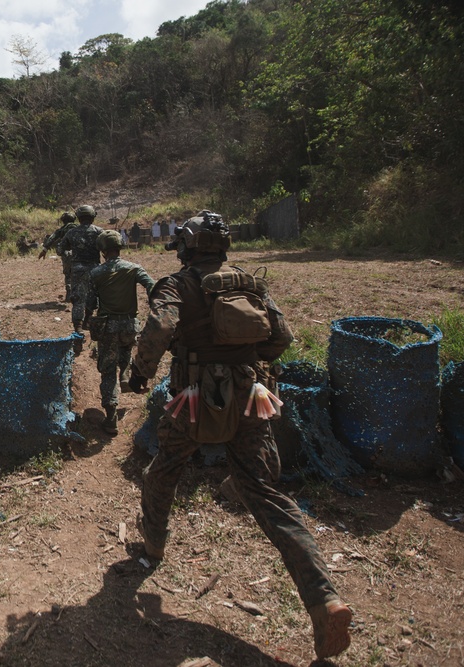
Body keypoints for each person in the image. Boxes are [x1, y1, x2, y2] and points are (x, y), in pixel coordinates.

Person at [127, 211, 352, 661]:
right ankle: (324, 599)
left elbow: (160, 329)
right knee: (266, 494)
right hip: (251, 397)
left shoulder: (175, 285)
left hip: (192, 399)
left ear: (187, 245)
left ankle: (153, 544)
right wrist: (245, 359)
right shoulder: (251, 285)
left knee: (164, 470)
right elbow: (281, 337)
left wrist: (140, 370)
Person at [84, 230, 155, 435]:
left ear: (103, 250)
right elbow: (151, 285)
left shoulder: (96, 273)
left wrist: (88, 319)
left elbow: (90, 303)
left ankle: (111, 419)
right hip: (130, 325)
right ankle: (124, 374)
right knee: (125, 350)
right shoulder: (133, 268)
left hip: (108, 327)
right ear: (119, 246)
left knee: (107, 371)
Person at [60, 205, 103, 352]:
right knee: (94, 297)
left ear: (79, 217)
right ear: (92, 217)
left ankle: (78, 331)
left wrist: (69, 253)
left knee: (78, 299)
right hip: (95, 269)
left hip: (77, 270)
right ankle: (88, 320)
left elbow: (60, 249)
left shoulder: (71, 233)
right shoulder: (99, 232)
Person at [38, 211, 79, 302]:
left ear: (63, 220)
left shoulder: (61, 230)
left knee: (68, 274)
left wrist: (44, 250)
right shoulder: (79, 228)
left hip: (67, 254)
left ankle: (69, 294)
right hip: (79, 254)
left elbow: (51, 238)